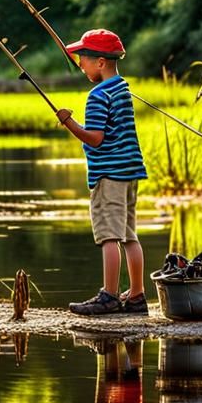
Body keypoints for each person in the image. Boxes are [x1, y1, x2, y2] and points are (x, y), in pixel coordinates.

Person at [55, 29, 149, 316]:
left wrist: (69, 123)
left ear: (100, 62)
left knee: (109, 236)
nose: (80, 64)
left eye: (83, 58)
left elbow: (95, 138)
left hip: (109, 174)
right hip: (129, 172)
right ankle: (137, 295)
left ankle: (109, 296)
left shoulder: (97, 95)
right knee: (129, 235)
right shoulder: (122, 89)